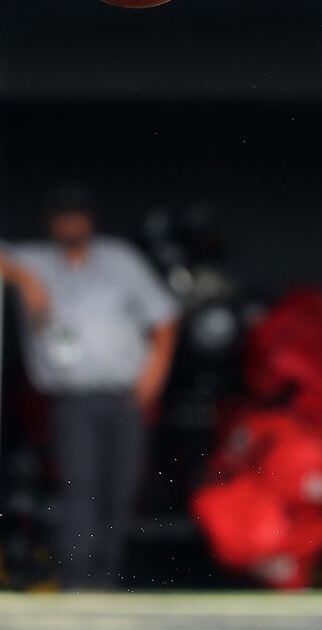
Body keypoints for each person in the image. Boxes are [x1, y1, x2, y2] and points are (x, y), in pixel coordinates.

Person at [0, 185, 180, 589]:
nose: (71, 222)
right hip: (72, 401)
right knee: (81, 489)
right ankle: (76, 584)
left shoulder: (120, 259)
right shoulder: (35, 259)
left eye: (77, 214)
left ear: (91, 219)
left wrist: (154, 374)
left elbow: (165, 316)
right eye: (63, 215)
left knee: (120, 492)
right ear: (51, 222)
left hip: (124, 397)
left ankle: (106, 584)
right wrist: (22, 276)